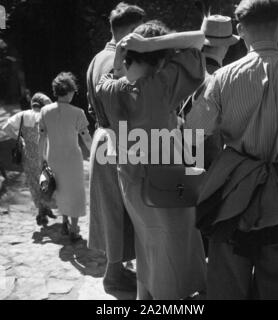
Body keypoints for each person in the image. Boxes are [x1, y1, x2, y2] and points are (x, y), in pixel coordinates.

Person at [97, 21, 207, 300]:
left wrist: (123, 57)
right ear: (161, 60)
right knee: (173, 246)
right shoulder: (161, 85)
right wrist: (151, 44)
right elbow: (198, 41)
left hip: (132, 182)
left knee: (147, 243)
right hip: (168, 182)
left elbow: (110, 76)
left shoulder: (109, 89)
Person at [198, 0, 278, 299]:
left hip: (234, 183)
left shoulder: (222, 77)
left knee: (228, 275)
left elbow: (193, 133)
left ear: (240, 30)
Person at [87, 2, 145, 292]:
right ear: (130, 32)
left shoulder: (98, 57)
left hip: (102, 135)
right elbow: (126, 106)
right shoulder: (118, 62)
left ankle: (115, 272)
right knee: (121, 209)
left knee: (111, 209)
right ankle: (113, 275)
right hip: (118, 139)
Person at [183, 15, 240, 256]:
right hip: (206, 166)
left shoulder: (182, 72)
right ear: (225, 45)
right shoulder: (218, 79)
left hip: (176, 162)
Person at [38, 72, 92, 242]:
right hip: (72, 159)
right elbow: (86, 137)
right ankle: (74, 229)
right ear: (69, 92)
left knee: (59, 189)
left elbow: (41, 137)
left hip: (53, 157)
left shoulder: (45, 111)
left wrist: (41, 158)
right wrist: (96, 155)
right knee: (75, 193)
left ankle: (64, 222)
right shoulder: (78, 112)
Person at [3, 92, 56, 226]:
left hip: (28, 156)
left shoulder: (22, 115)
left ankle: (41, 211)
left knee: (33, 184)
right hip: (44, 154)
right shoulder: (45, 116)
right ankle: (46, 207)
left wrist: (19, 138)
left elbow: (6, 128)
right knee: (47, 182)